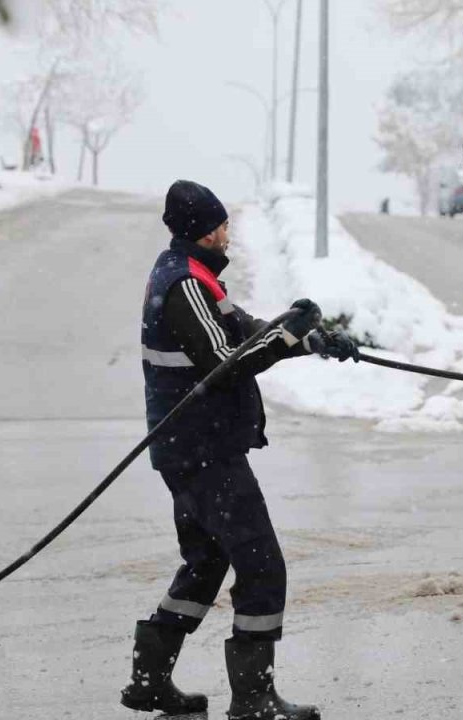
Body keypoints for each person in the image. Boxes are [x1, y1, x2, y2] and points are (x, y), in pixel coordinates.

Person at [120, 180, 358, 720]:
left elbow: (243, 329)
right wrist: (286, 338)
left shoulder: (194, 277)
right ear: (202, 232)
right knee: (263, 566)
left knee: (205, 563)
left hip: (192, 450)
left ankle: (150, 680)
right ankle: (254, 698)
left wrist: (311, 339)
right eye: (222, 226)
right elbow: (225, 361)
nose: (228, 235)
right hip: (202, 451)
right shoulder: (183, 284)